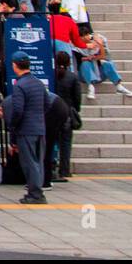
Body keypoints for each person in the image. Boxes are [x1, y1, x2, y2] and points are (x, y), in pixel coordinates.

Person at [0, 52, 48, 204]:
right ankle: (38, 190)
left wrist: (13, 126)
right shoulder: (38, 83)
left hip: (26, 129)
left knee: (29, 163)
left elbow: (18, 110)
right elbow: (47, 104)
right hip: (40, 127)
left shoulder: (19, 85)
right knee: (38, 161)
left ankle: (35, 194)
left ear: (14, 65)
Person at [80, 28, 132, 99]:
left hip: (100, 72)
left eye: (86, 35)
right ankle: (91, 88)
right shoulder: (76, 45)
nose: (84, 38)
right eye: (82, 36)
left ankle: (119, 86)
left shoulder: (97, 39)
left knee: (107, 63)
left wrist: (99, 45)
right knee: (85, 64)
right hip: (84, 75)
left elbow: (103, 56)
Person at [52, 51, 82, 181]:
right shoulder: (72, 77)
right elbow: (77, 98)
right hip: (67, 113)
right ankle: (64, 170)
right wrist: (75, 109)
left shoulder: (52, 75)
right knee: (66, 143)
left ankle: (51, 166)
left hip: (53, 113)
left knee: (52, 142)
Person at [42, 87, 71, 190]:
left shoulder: (14, 101)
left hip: (54, 109)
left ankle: (45, 182)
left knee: (46, 147)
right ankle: (46, 179)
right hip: (59, 106)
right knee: (47, 147)